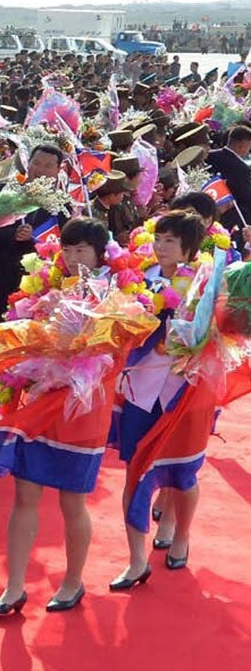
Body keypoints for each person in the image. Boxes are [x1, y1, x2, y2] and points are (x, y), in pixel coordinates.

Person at [0, 219, 118, 615]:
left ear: (100, 254)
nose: (74, 259)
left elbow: (115, 355)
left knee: (73, 503)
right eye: (68, 251)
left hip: (81, 411)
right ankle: (14, 587)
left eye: (83, 251)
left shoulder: (117, 297)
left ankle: (73, 582)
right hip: (39, 405)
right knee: (24, 497)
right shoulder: (43, 288)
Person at [111, 212, 211, 588]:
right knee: (136, 470)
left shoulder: (203, 287)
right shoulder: (138, 281)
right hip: (141, 389)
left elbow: (215, 337)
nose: (162, 246)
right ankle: (136, 560)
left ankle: (180, 534)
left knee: (183, 474)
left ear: (189, 246)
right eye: (160, 238)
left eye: (171, 240)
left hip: (184, 392)